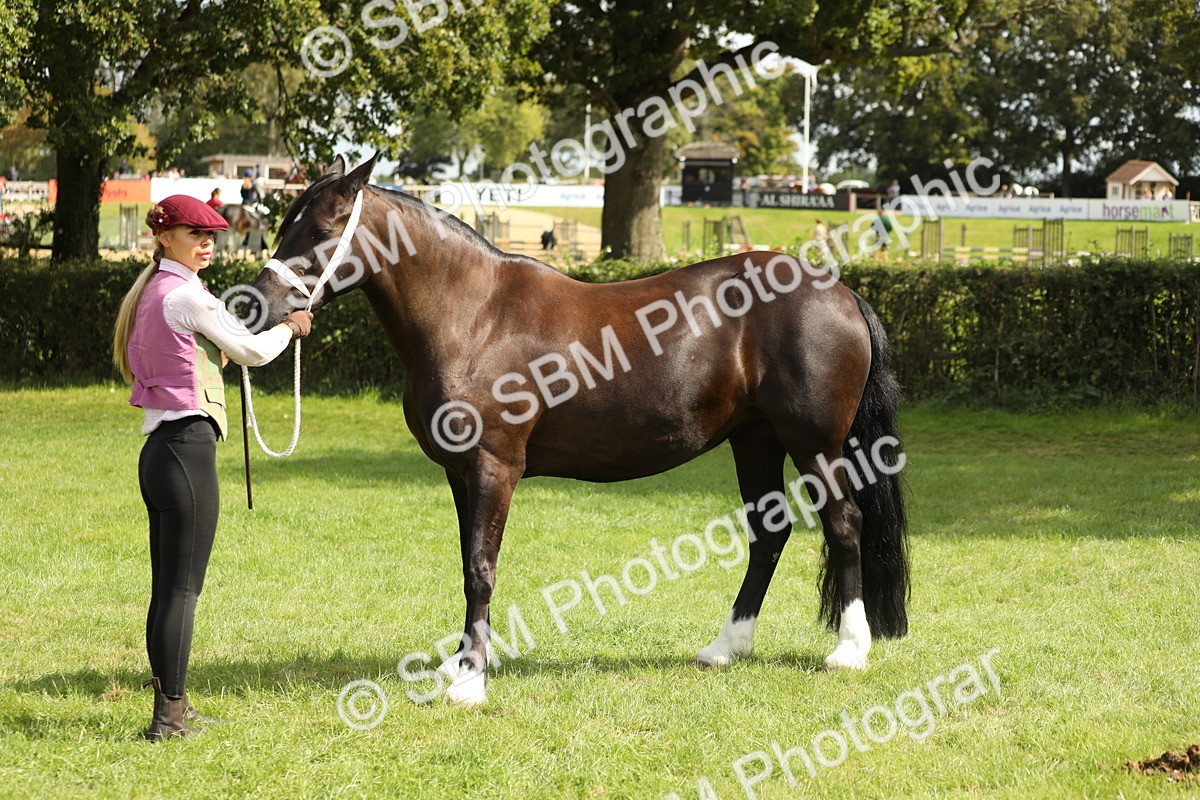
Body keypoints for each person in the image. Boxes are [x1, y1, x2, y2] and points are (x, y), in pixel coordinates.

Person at [111, 195, 313, 741]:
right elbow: (250, 350)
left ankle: (173, 705)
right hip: (186, 447)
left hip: (160, 452)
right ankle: (168, 720)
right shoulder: (185, 296)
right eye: (192, 234)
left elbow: (201, 350)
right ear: (163, 237)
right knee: (182, 591)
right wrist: (291, 327)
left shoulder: (155, 292)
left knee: (167, 588)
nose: (206, 243)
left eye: (211, 236)